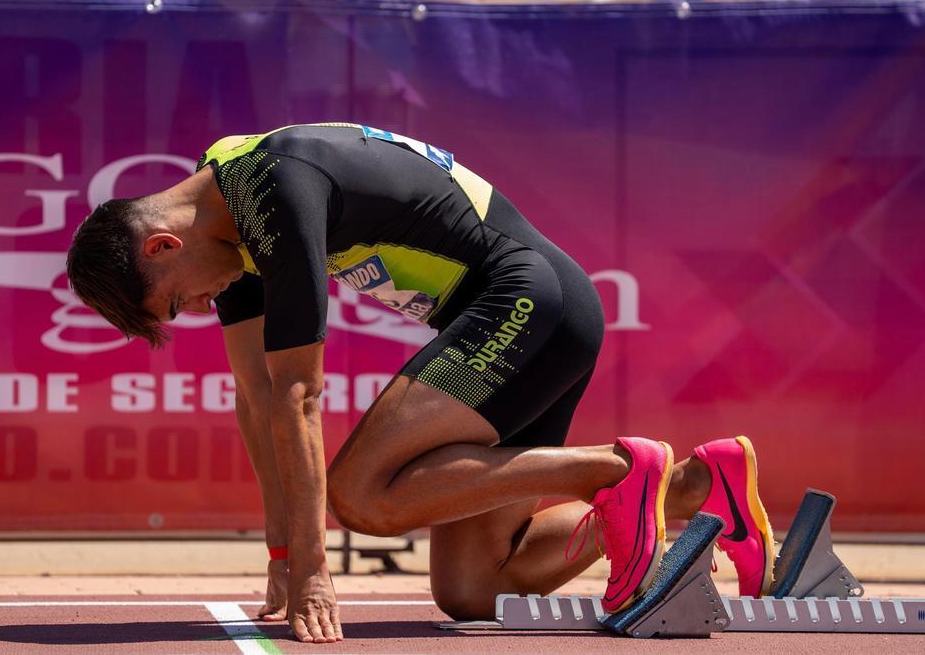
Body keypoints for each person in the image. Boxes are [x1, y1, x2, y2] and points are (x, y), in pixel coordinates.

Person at [66, 123, 775, 643]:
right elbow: (254, 391)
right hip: (515, 320)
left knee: (360, 494)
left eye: (175, 300)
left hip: (531, 301)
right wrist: (283, 554)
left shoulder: (270, 187)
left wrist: (316, 567)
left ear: (164, 246)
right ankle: (694, 486)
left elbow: (297, 394)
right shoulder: (224, 224)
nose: (194, 308)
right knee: (475, 590)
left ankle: (619, 469)